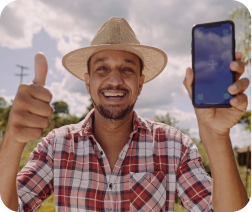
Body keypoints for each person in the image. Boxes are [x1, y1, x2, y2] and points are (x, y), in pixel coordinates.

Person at [0, 17, 250, 212]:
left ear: (140, 83)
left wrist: (217, 136)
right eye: (102, 68)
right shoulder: (56, 146)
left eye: (127, 69)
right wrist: (12, 141)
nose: (115, 80)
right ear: (87, 82)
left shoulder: (174, 146)